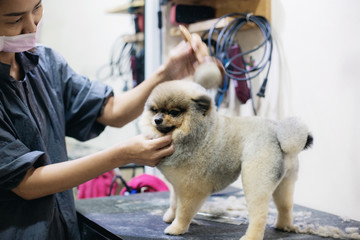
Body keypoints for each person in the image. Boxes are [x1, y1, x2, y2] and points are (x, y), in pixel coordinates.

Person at [0, 0, 211, 239]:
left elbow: (111, 110)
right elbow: (27, 184)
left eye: (37, 8)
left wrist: (167, 73)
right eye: (15, 19)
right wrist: (122, 155)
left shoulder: (45, 63)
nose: (31, 26)